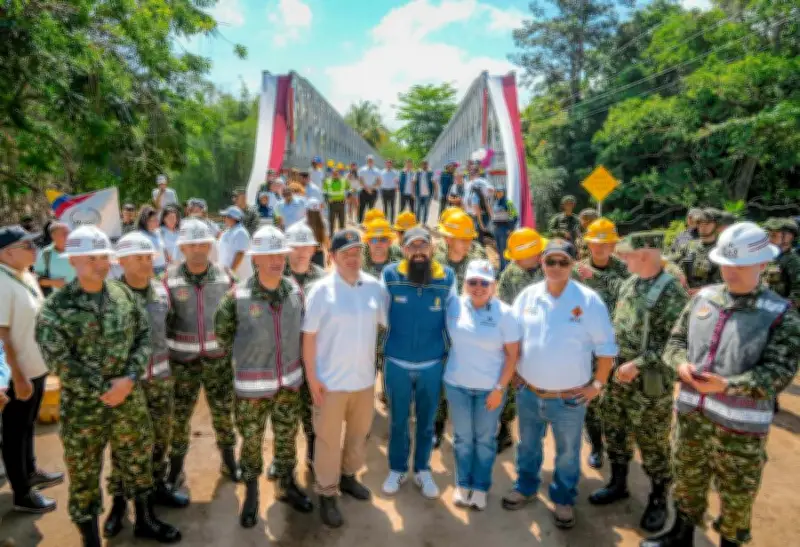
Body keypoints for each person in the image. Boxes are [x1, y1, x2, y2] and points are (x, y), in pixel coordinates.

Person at [643, 222, 800, 547]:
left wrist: (726, 385)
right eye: (726, 264)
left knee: (736, 497)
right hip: (692, 420)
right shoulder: (703, 299)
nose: (730, 272)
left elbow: (778, 373)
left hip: (739, 432)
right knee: (687, 482)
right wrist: (680, 364)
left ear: (762, 263)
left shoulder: (780, 314)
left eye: (739, 265)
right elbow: (674, 342)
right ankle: (680, 535)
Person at [35, 226, 181, 545]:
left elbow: (144, 338)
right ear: (72, 260)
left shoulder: (122, 294)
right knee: (85, 478)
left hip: (129, 400)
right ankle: (91, 539)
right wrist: (105, 387)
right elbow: (59, 360)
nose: (101, 263)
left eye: (104, 256)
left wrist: (129, 379)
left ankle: (145, 520)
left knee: (138, 462)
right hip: (84, 411)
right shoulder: (55, 308)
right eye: (92, 257)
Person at [505, 239, 616, 529]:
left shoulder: (588, 301)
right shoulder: (528, 296)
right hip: (529, 392)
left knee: (567, 454)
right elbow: (512, 338)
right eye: (550, 261)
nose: (555, 267)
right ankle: (526, 487)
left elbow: (606, 348)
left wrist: (597, 385)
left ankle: (564, 498)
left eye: (562, 262)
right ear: (541, 262)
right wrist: (513, 370)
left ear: (573, 264)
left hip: (569, 399)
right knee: (527, 446)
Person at [588, 231, 687, 535]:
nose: (621, 259)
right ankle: (618, 483)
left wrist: (638, 364)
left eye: (626, 254)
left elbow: (677, 343)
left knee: (653, 441)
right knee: (615, 429)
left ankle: (658, 498)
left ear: (644, 254)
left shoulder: (671, 292)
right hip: (619, 376)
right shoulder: (631, 283)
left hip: (649, 384)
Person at [215, 226, 313, 527]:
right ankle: (253, 493)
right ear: (255, 258)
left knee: (286, 439)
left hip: (288, 385)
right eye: (269, 255)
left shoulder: (295, 292)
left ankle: (286, 484)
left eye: (280, 255)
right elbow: (223, 336)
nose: (277, 261)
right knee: (252, 442)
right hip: (251, 390)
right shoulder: (236, 297)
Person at [103, 233, 190, 539]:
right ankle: (118, 502)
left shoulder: (161, 291)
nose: (145, 262)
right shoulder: (111, 296)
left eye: (148, 256)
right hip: (129, 386)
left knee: (159, 441)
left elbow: (170, 330)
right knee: (124, 447)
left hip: (161, 382)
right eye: (137, 257)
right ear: (121, 261)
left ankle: (156, 489)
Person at [302, 229, 386, 528]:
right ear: (333, 257)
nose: (353, 258)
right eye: (346, 253)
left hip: (363, 382)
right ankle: (327, 493)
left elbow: (386, 327)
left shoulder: (375, 287)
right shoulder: (321, 291)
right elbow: (309, 337)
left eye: (357, 252)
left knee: (358, 434)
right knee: (326, 440)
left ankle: (349, 477)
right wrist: (312, 378)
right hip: (330, 383)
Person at [163, 219, 239, 491]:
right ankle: (175, 469)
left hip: (218, 361)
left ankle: (229, 461)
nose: (198, 248)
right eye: (191, 244)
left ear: (210, 245)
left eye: (203, 243)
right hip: (182, 364)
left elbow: (238, 314)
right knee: (179, 417)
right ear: (182, 247)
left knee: (223, 413)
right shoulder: (169, 280)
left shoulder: (225, 277)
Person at [381, 227, 456, 500]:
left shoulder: (447, 277)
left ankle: (423, 469)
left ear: (432, 248)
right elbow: (379, 314)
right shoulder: (390, 275)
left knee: (427, 422)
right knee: (398, 420)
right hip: (397, 362)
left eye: (423, 246)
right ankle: (397, 469)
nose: (418, 252)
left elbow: (455, 318)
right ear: (404, 249)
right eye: (412, 247)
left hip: (432, 364)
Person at [444, 259, 520, 510]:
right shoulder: (453, 304)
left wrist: (499, 389)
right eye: (472, 281)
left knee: (485, 440)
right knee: (463, 438)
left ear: (494, 285)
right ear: (465, 283)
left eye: (484, 283)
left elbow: (512, 356)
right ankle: (462, 483)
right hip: (457, 385)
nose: (478, 287)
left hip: (490, 389)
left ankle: (480, 487)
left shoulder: (505, 314)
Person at [0, 225, 63, 515]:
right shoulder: (1, 283)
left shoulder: (24, 275)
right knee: (14, 432)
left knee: (28, 427)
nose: (34, 248)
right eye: (27, 245)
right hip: (18, 371)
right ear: (7, 252)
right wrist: (18, 375)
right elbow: (2, 335)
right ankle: (22, 493)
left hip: (35, 365)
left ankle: (30, 471)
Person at [574, 218, 630, 469]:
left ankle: (619, 448)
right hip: (586, 345)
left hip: (616, 344)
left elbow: (627, 292)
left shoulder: (624, 269)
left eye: (605, 243)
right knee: (590, 396)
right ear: (587, 244)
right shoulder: (577, 270)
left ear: (614, 245)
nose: (599, 248)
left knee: (617, 400)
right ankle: (596, 445)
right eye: (595, 243)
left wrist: (595, 276)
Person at [432, 210, 487, 446]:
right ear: (447, 239)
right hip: (440, 327)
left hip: (469, 329)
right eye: (461, 239)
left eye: (469, 239)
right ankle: (436, 425)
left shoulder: (478, 258)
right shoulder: (436, 257)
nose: (467, 244)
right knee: (438, 379)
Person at [495, 228, 548, 452]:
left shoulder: (551, 271)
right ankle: (505, 429)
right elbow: (504, 308)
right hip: (517, 341)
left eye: (518, 255)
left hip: (545, 344)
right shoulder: (511, 274)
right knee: (509, 384)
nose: (514, 259)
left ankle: (538, 433)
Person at [283, 222, 326, 475]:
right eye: (295, 246)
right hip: (284, 357)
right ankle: (283, 463)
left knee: (314, 409)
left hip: (314, 358)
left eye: (305, 246)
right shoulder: (276, 274)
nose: (300, 252)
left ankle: (312, 452)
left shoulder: (323, 279)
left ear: (314, 249)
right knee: (284, 415)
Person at [669, 207, 722, 294]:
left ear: (717, 225)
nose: (703, 226)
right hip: (685, 297)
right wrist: (678, 273)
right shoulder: (688, 245)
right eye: (699, 222)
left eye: (707, 223)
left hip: (710, 300)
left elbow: (729, 284)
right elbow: (668, 261)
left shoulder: (722, 251)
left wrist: (703, 291)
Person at [762, 217, 800, 308]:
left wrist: (783, 307)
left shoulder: (792, 260)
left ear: (788, 237)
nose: (769, 239)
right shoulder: (770, 256)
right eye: (769, 235)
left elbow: (797, 293)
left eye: (774, 235)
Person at [33, 221, 75, 296]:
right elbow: (37, 279)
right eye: (64, 233)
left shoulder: (81, 250)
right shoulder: (46, 254)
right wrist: (53, 282)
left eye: (69, 233)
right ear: (53, 236)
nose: (68, 236)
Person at [218, 206, 252, 281]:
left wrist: (231, 273)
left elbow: (240, 253)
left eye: (226, 216)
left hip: (236, 276)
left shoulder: (240, 232)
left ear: (233, 218)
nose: (224, 219)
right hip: (225, 274)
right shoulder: (229, 231)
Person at [491, 184, 518, 271]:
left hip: (505, 229)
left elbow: (514, 216)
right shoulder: (496, 202)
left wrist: (510, 229)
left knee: (505, 251)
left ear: (503, 192)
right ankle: (502, 270)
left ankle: (507, 271)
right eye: (497, 192)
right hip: (497, 229)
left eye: (500, 191)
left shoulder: (508, 202)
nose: (498, 193)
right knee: (499, 251)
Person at [137, 206, 168, 275]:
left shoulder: (157, 232)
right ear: (146, 221)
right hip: (152, 270)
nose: (157, 222)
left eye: (157, 219)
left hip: (163, 268)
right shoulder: (141, 236)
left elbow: (163, 249)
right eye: (154, 220)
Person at [323, 163, 350, 233]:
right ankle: (331, 235)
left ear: (339, 173)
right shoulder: (327, 181)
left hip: (341, 203)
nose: (335, 174)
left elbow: (349, 189)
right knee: (331, 221)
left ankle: (342, 236)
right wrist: (327, 199)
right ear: (332, 173)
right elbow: (324, 192)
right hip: (332, 204)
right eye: (334, 173)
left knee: (342, 221)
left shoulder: (344, 181)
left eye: (336, 173)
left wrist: (347, 198)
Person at [306, 200, 330, 268]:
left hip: (306, 254)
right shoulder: (324, 222)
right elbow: (326, 240)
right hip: (319, 254)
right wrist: (329, 253)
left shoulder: (304, 222)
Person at [358, 155, 381, 222]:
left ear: (373, 161)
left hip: (373, 191)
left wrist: (371, 188)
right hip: (363, 191)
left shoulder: (377, 170)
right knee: (361, 208)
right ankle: (360, 222)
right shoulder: (362, 169)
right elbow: (360, 180)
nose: (370, 161)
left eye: (371, 160)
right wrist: (367, 188)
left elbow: (379, 181)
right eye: (369, 160)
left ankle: (370, 222)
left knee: (371, 209)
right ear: (367, 161)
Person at [379, 159, 399, 224]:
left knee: (392, 207)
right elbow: (380, 181)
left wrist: (397, 187)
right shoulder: (382, 172)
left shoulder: (395, 172)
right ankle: (385, 221)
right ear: (385, 164)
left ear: (391, 164)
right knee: (385, 207)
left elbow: (397, 181)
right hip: (384, 191)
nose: (389, 164)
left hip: (392, 191)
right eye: (387, 163)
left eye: (390, 163)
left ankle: (392, 222)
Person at [415, 160, 435, 225]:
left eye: (426, 164)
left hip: (428, 194)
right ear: (421, 165)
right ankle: (417, 221)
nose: (424, 165)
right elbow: (414, 182)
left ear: (427, 165)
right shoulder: (418, 172)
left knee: (426, 208)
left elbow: (434, 183)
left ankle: (424, 222)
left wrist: (435, 193)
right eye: (423, 164)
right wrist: (413, 192)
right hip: (419, 193)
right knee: (418, 208)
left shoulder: (430, 173)